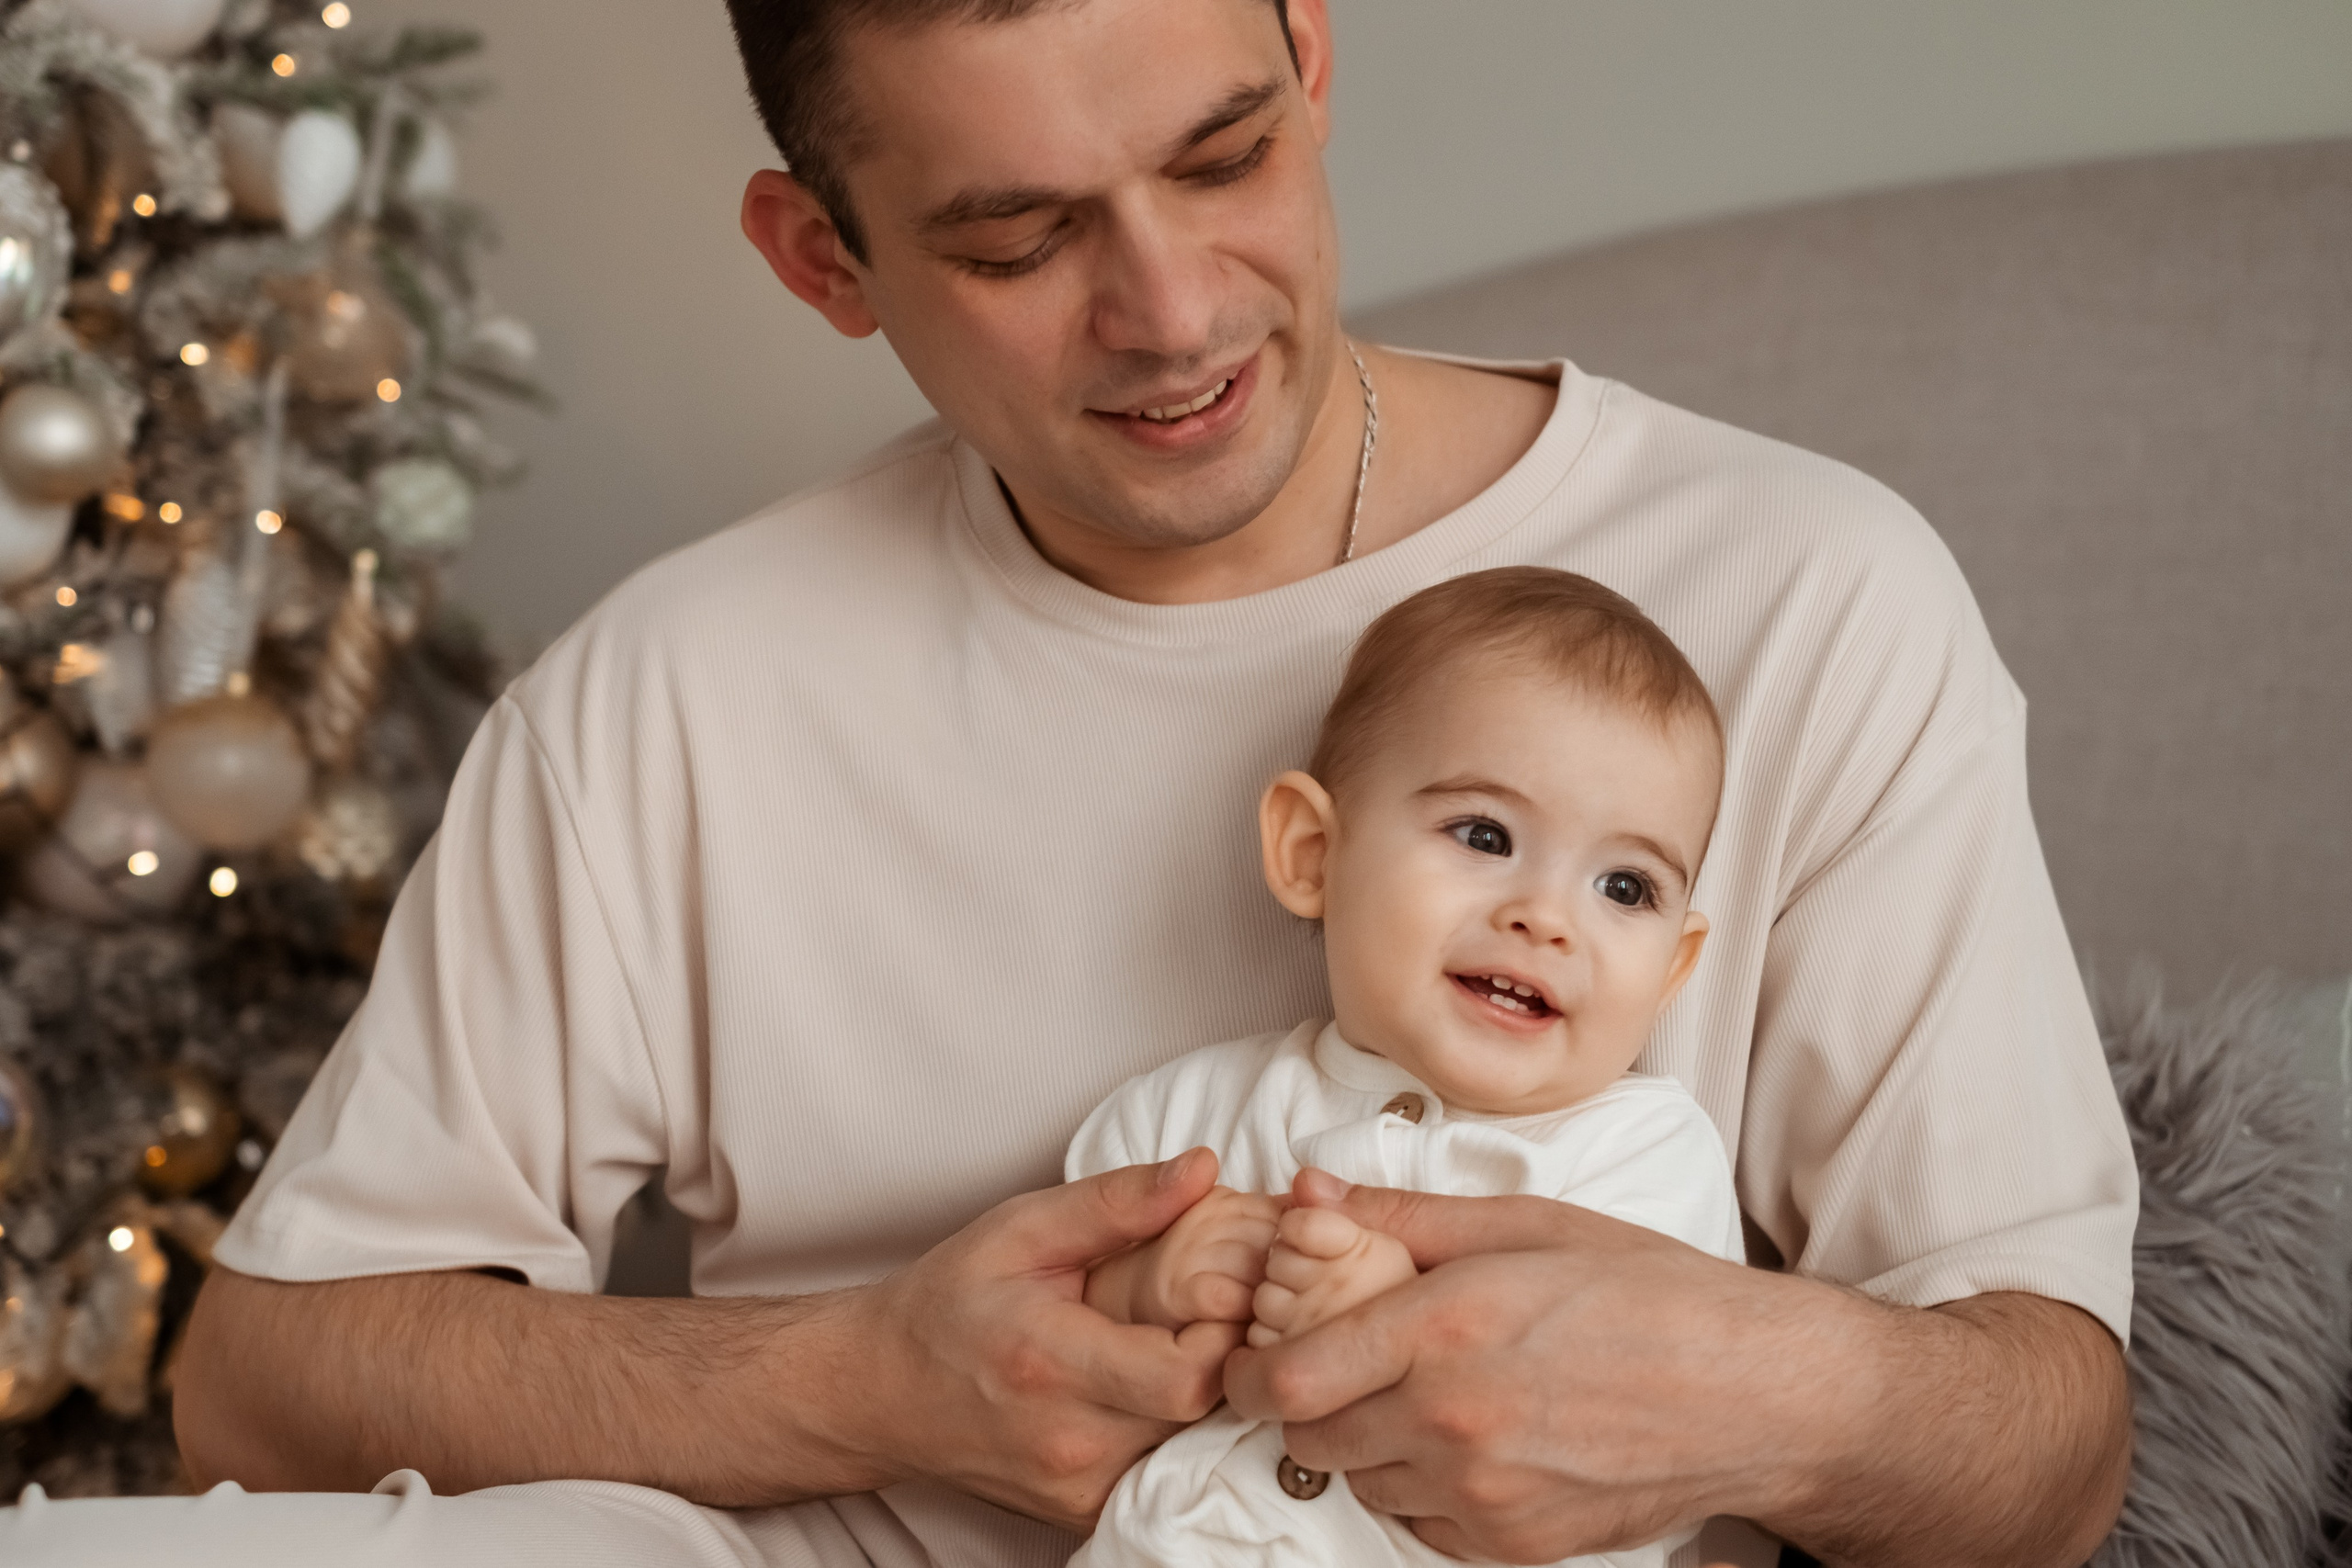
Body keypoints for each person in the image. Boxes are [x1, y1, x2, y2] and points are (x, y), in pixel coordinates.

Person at [0, 1, 2136, 1565]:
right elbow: (259, 1388)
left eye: (1219, 157)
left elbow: (2047, 1456)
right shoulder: (676, 687)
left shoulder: (1800, 590)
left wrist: (1740, 1389)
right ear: (820, 257)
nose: (1173, 308)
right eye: (1018, 237)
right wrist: (858, 1378)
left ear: (1310, 49)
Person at [1068, 567, 1747, 1568]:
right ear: (1311, 854)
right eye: (1484, 835)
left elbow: (1650, 1437)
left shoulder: (1643, 1159)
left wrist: (1393, 1324)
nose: (1547, 918)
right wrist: (1150, 1286)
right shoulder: (1187, 1116)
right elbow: (1046, 1344)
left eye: (1623, 886)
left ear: (1673, 973)